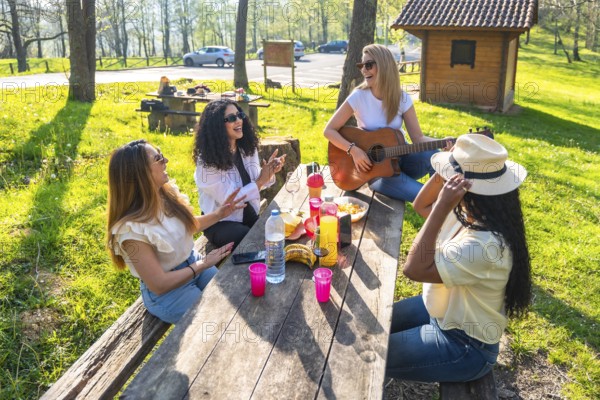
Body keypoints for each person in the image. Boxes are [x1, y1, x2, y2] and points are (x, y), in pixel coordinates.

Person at [386, 134, 532, 382]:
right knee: (376, 323)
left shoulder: (486, 246)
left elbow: (414, 268)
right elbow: (420, 206)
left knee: (373, 351)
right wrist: (446, 168)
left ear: (466, 188)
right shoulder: (473, 211)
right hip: (443, 312)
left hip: (464, 345)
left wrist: (443, 205)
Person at [106, 139, 246, 324]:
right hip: (169, 292)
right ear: (140, 173)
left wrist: (220, 213)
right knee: (215, 322)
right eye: (158, 158)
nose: (166, 161)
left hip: (192, 262)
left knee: (235, 303)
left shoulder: (164, 195)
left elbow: (188, 226)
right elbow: (159, 284)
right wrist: (203, 264)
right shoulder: (130, 231)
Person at [324, 43, 448, 202]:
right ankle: (437, 205)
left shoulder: (402, 98)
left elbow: (418, 139)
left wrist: (445, 142)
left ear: (384, 66)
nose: (363, 70)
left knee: (435, 155)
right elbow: (329, 130)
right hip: (378, 173)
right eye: (362, 65)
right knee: (426, 196)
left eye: (368, 65)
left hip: (403, 161)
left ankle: (442, 196)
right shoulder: (358, 96)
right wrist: (354, 150)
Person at [193, 99, 286, 248]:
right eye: (231, 118)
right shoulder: (206, 163)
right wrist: (260, 181)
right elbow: (231, 200)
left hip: (249, 214)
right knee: (249, 241)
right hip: (221, 222)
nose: (238, 120)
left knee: (277, 235)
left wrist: (269, 172)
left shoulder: (247, 148)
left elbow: (256, 183)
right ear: (217, 126)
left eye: (239, 115)